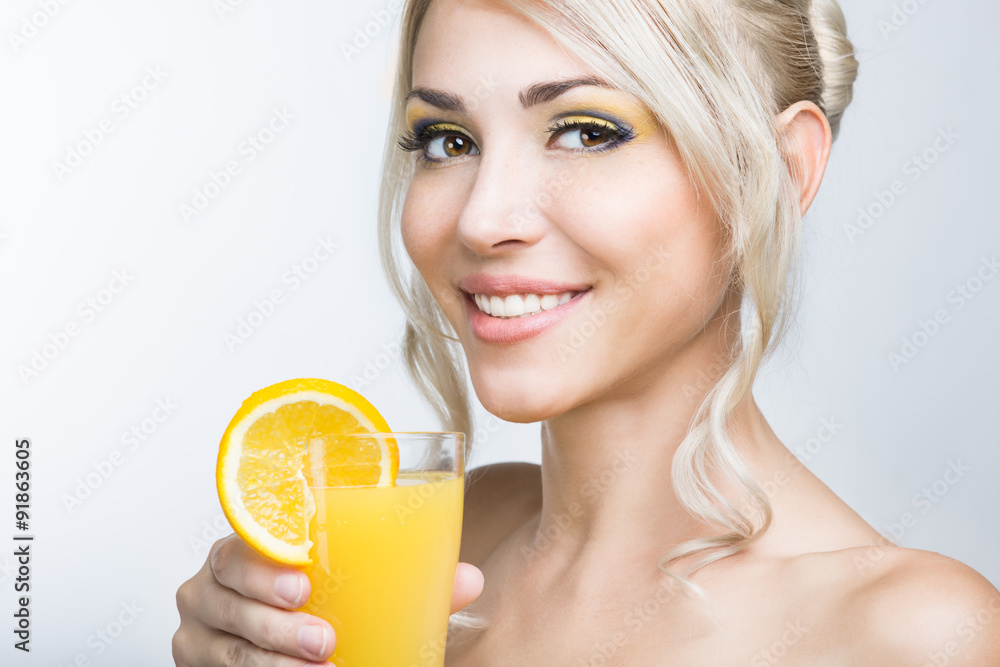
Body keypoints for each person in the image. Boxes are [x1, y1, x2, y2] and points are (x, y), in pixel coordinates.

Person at [173, 0, 1000, 664]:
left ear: (777, 172)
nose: (483, 217)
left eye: (585, 131)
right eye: (447, 140)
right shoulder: (449, 540)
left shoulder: (913, 633)